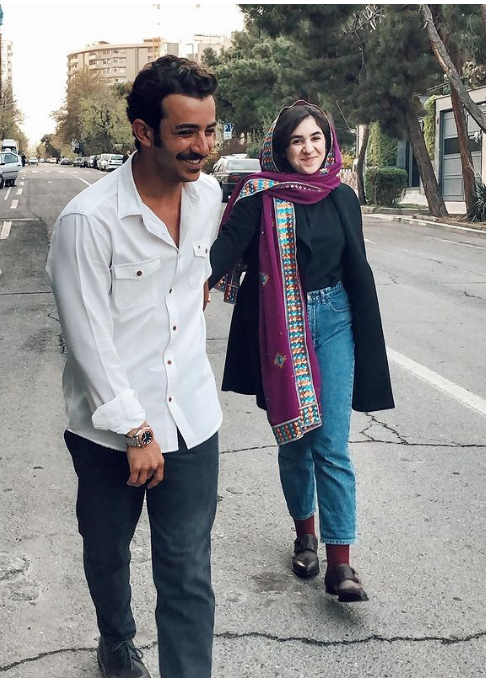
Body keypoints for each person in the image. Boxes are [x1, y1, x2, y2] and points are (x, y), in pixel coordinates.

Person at [46, 56, 223, 678]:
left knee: (188, 569)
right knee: (107, 550)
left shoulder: (208, 198)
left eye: (209, 130)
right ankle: (116, 639)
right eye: (186, 132)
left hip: (192, 422)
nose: (202, 147)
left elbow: (191, 283)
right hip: (108, 433)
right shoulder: (88, 221)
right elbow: (88, 341)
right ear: (143, 132)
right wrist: (135, 429)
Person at [208, 101, 394, 603]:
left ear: (328, 142)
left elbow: (356, 267)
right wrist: (185, 282)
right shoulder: (261, 196)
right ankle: (305, 536)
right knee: (295, 440)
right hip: (280, 326)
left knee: (331, 444)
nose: (308, 149)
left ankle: (340, 564)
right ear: (281, 148)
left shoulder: (342, 196)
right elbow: (225, 249)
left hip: (335, 320)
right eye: (297, 141)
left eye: (316, 138)